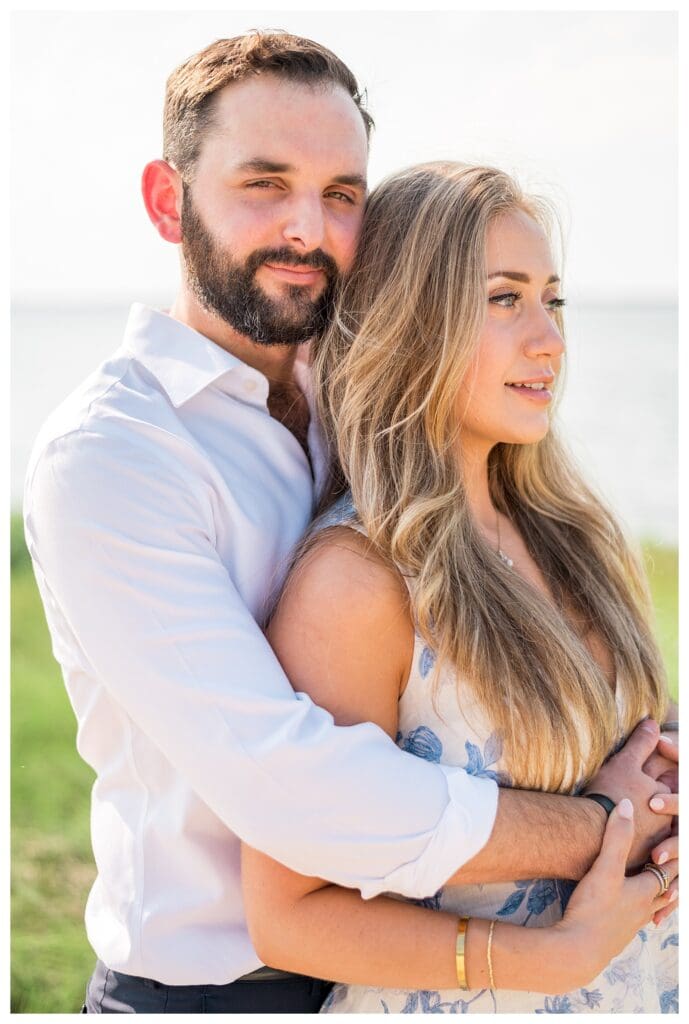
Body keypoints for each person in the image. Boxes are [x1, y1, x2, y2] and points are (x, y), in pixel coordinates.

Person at [23, 33, 676, 1014]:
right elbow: (292, 783)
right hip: (217, 988)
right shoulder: (113, 458)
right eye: (263, 183)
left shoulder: (361, 393)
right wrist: (602, 821)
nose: (306, 227)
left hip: (404, 947)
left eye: (340, 194)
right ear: (168, 201)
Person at [240, 162, 679, 1013]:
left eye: (552, 300)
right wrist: (544, 959)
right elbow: (288, 916)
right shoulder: (359, 581)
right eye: (503, 299)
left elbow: (632, 749)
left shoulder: (573, 532)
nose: (548, 339)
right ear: (411, 323)